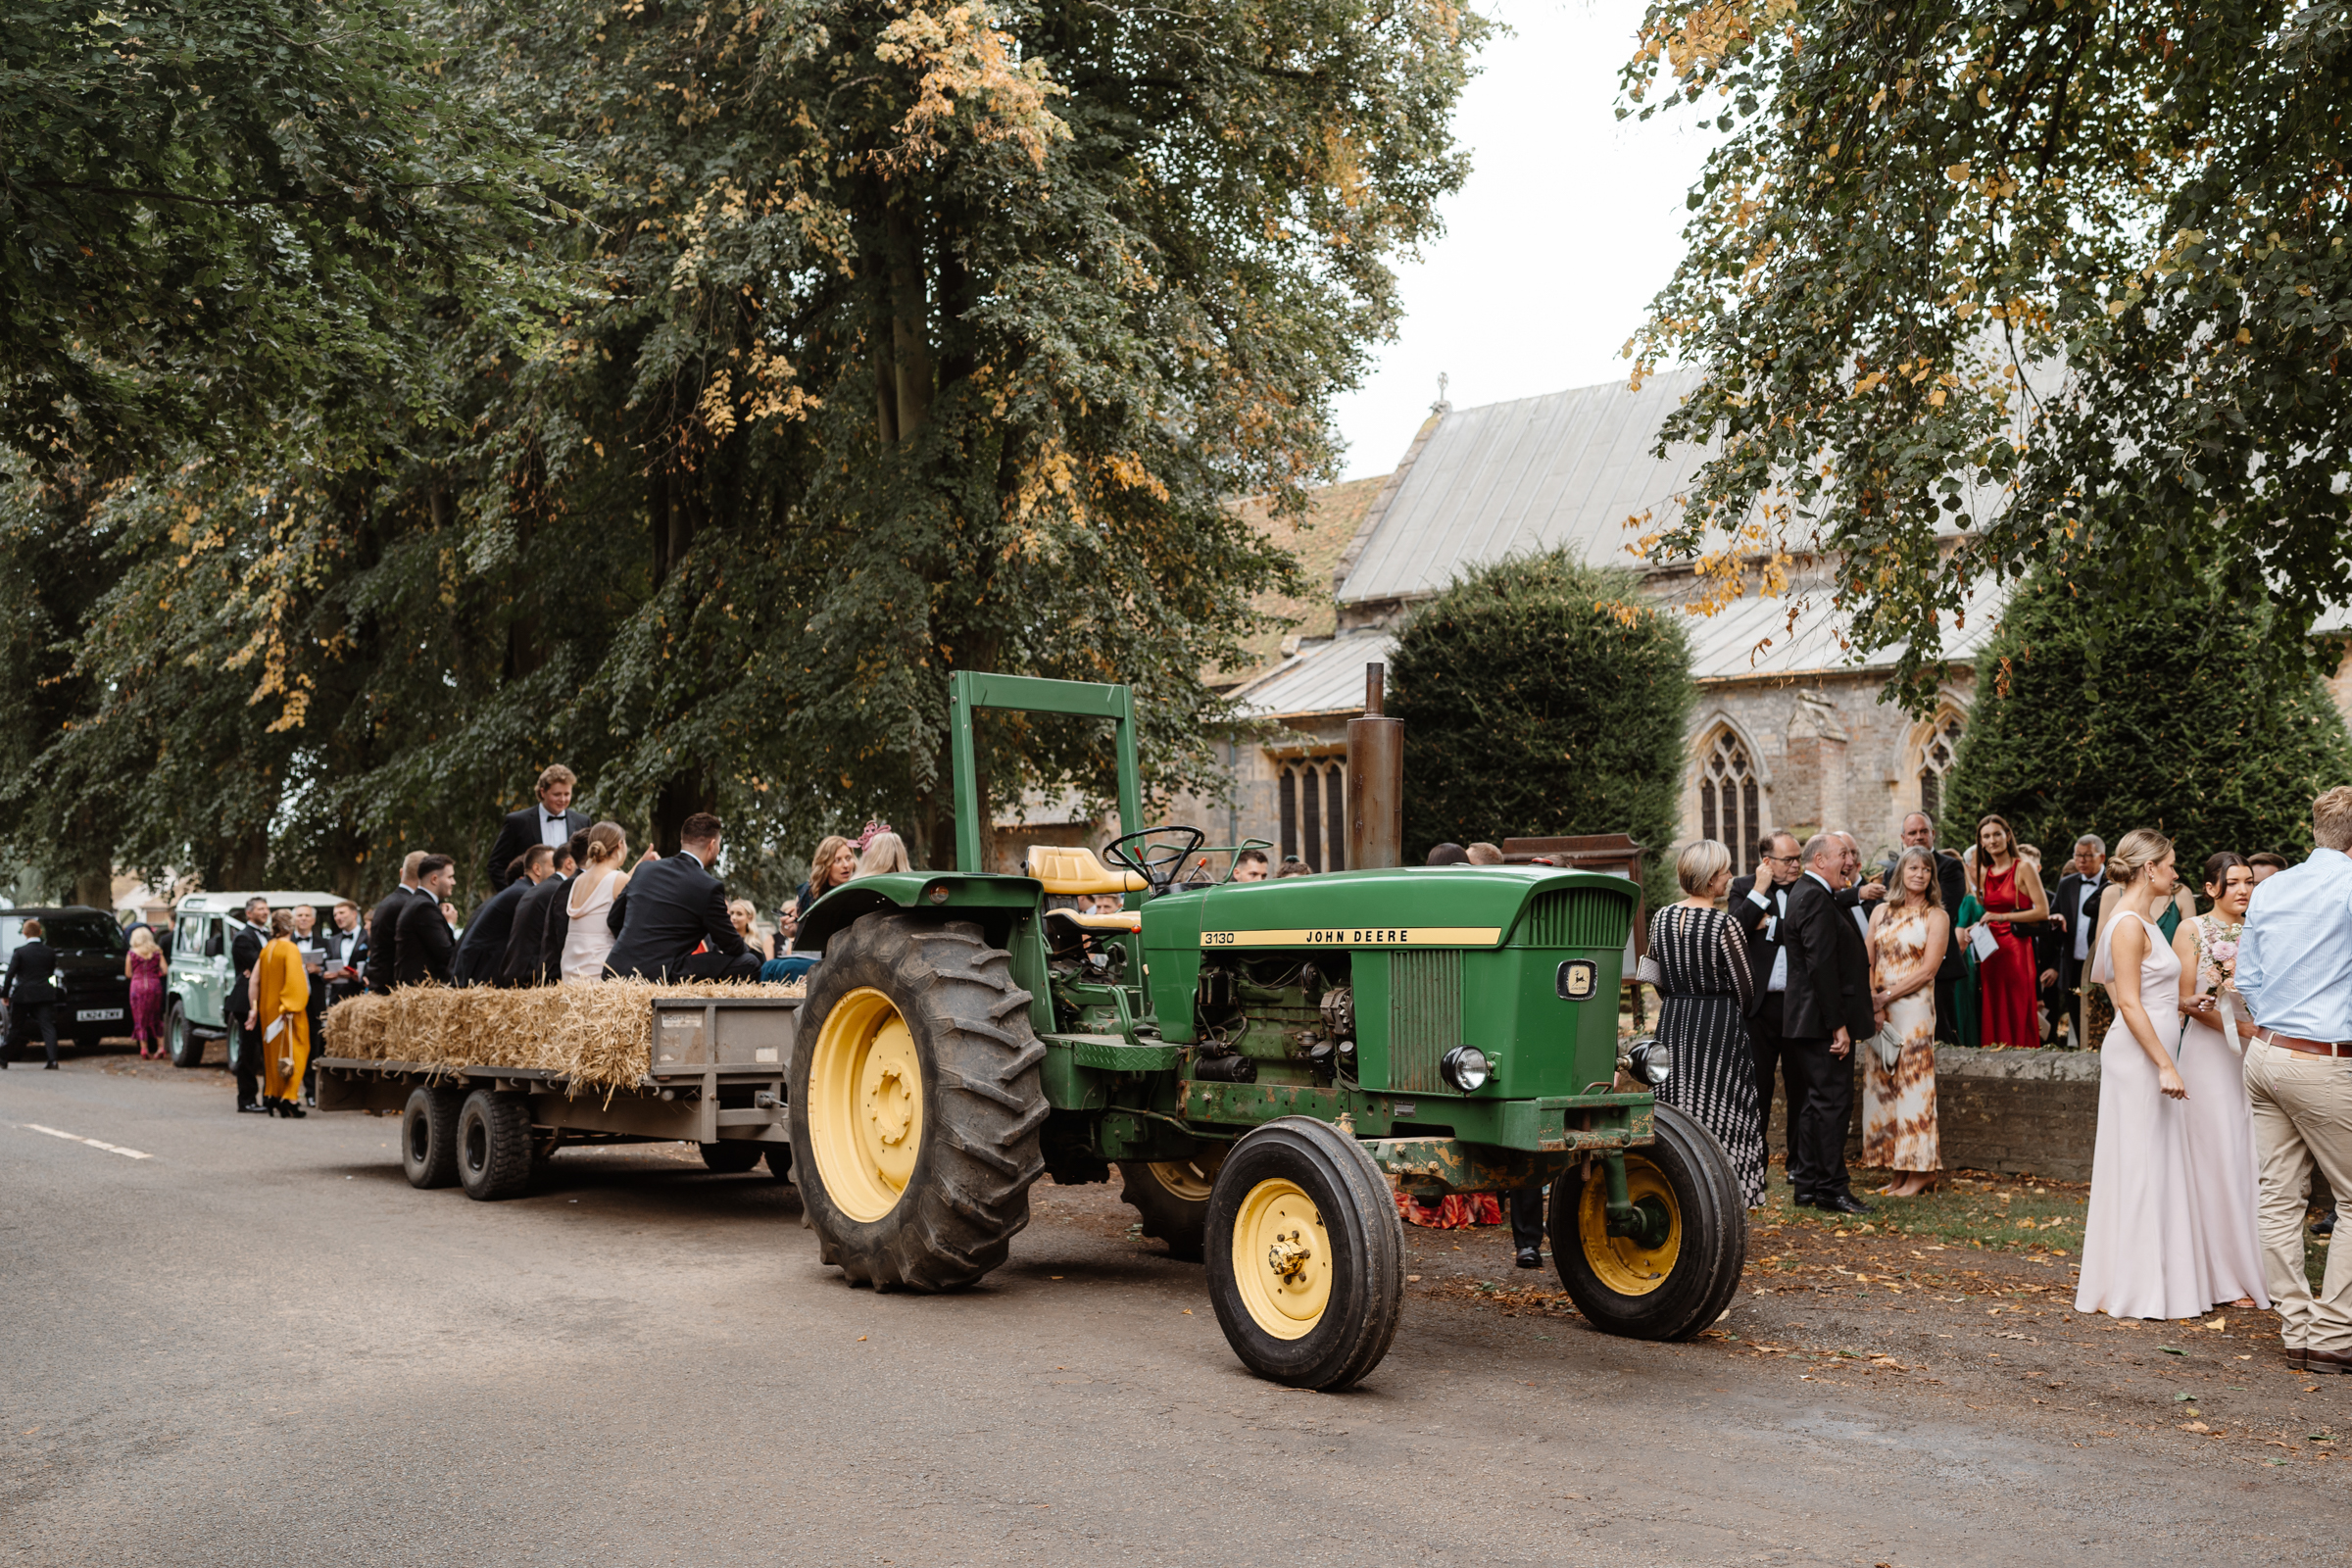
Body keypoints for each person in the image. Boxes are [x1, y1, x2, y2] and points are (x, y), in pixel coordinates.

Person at [2238, 787, 2352, 1370]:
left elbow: (2247, 979)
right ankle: (2333, 1333)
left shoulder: (2273, 887)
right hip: (2321, 1059)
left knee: (2279, 1198)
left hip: (2265, 1054)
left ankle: (2298, 1328)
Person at [2076, 829, 2207, 1320]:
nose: (2176, 873)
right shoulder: (2128, 924)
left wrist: (2183, 1003)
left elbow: (2149, 992)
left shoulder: (2145, 919)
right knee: (2139, 1164)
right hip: (2138, 1058)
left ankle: (2157, 1280)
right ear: (2149, 869)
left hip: (2152, 1048)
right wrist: (2166, 1064)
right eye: (2170, 865)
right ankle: (2135, 1288)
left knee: (2155, 1161)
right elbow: (2127, 1003)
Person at [1634, 840, 1767, 1207]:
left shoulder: (1661, 918)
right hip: (1716, 1024)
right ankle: (1727, 1195)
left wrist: (1679, 997)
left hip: (1674, 1020)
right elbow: (1746, 988)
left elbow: (1654, 974)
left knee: (1675, 1105)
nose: (1730, 877)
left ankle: (1677, 1190)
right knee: (1723, 1108)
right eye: (1724, 871)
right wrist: (1723, 1008)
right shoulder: (1724, 924)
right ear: (1710, 879)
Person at [2172, 851, 2268, 1311]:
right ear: (2211, 888)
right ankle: (2219, 1276)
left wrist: (2254, 1028)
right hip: (2210, 1055)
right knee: (2216, 1156)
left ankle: (2255, 1266)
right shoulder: (2192, 929)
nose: (2244, 890)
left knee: (2249, 1155)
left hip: (2256, 1052)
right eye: (2234, 882)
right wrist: (2238, 1025)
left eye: (2249, 881)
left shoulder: (2261, 928)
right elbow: (2185, 999)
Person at [1781, 833, 1875, 1214]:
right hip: (1821, 1023)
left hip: (1808, 1020)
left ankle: (1807, 1184)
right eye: (1842, 855)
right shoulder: (1814, 897)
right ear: (1820, 860)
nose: (1849, 862)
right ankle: (1832, 1189)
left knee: (1814, 1105)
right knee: (1833, 1103)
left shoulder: (1810, 892)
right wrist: (1838, 1026)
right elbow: (1821, 966)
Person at [1864, 847, 1950, 1197]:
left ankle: (1921, 1171)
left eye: (1926, 869)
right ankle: (1898, 1171)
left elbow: (1928, 970)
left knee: (1915, 1087)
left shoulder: (1936, 916)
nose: (1920, 874)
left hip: (1914, 1011)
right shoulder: (1880, 911)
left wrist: (1884, 997)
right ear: (1900, 872)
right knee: (1885, 1086)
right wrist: (1873, 1002)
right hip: (1880, 1011)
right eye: (1913, 868)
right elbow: (1868, 958)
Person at [605, 812, 761, 980]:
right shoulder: (708, 887)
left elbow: (613, 919)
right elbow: (732, 945)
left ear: (682, 842)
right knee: (750, 962)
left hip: (616, 970)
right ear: (712, 845)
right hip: (661, 975)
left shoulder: (644, 869)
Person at [1730, 831, 1803, 1177]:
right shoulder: (1744, 887)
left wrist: (1772, 925)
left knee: (1800, 1087)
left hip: (1799, 1005)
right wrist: (1759, 893)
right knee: (1757, 1088)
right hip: (1758, 1009)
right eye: (1789, 860)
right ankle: (1753, 1164)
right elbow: (1735, 931)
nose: (1796, 865)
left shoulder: (1808, 889)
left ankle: (1798, 1164)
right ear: (1767, 862)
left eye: (1798, 858)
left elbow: (1808, 935)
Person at [1970, 813, 2048, 1048]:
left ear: (2008, 836)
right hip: (1990, 950)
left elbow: (2043, 911)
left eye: (1997, 834)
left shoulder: (2023, 868)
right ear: (1981, 842)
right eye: (1986, 836)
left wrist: (2002, 916)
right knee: (1993, 1006)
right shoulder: (1983, 872)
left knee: (2016, 1006)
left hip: (2016, 947)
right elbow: (1987, 912)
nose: (1992, 840)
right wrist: (1976, 927)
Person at [1896, 813, 1968, 1042]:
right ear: (1903, 838)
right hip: (1900, 967)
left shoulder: (1950, 867)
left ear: (1933, 834)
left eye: (1923, 831)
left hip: (1939, 968)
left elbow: (1944, 909)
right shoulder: (1893, 872)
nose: (1918, 837)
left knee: (1939, 1033)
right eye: (1912, 833)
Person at [486, 763, 591, 892]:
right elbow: (496, 865)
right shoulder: (518, 822)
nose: (563, 799)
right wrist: (515, 895)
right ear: (542, 792)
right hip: (529, 897)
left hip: (572, 895)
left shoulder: (582, 822)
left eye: (567, 794)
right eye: (557, 794)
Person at [452, 848, 549, 984]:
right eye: (554, 866)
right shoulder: (525, 894)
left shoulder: (520, 889)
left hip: (477, 966)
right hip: (483, 971)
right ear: (537, 869)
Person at [251, 911, 312, 1118]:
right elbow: (295, 981)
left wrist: (254, 1008)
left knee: (275, 1056)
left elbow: (255, 980)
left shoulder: (267, 948)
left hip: (269, 1009)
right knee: (297, 1052)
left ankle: (273, 1094)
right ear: (290, 926)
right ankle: (290, 1097)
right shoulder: (290, 948)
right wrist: (290, 1005)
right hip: (287, 1010)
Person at [503, 835, 583, 986]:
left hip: (516, 970)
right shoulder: (560, 889)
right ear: (569, 863)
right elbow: (562, 936)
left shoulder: (541, 888)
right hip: (532, 976)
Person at [564, 823, 638, 982]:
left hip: (570, 972)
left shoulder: (578, 880)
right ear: (620, 845)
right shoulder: (618, 879)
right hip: (599, 972)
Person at [2052, 835, 2107, 1048]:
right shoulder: (2066, 884)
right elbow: (2054, 912)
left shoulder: (2112, 884)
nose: (2081, 860)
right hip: (2072, 963)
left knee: (2103, 1016)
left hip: (2102, 963)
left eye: (2087, 855)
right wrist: (2055, 920)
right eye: (2078, 855)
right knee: (2077, 1016)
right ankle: (2084, 1053)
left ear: (2102, 857)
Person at [365, 851, 429, 994]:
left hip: (380, 983)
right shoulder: (413, 905)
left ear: (401, 872)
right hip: (394, 989)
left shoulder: (387, 902)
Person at [2, 917, 62, 1069]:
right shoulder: (49, 952)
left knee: (15, 1027)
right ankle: (53, 1060)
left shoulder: (20, 952)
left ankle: (3, 1058)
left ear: (24, 933)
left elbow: (10, 974)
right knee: (47, 1027)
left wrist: (4, 994)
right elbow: (50, 973)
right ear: (40, 932)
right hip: (44, 994)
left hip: (23, 995)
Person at [228, 896, 270, 1110]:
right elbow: (261, 964)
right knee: (249, 1052)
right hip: (246, 1001)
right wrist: (259, 968)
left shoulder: (270, 936)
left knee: (267, 1050)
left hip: (267, 998)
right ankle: (246, 1100)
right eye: (260, 909)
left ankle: (269, 1097)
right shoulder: (243, 937)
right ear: (249, 913)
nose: (265, 912)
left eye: (266, 909)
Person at [393, 857, 459, 985]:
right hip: (421, 988)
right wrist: (450, 924)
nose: (453, 882)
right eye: (450, 877)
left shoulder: (418, 901)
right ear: (434, 879)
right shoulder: (424, 907)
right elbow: (446, 954)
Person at [125, 925, 168, 1059]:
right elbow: (165, 970)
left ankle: (144, 1048)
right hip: (154, 986)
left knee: (140, 1018)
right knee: (156, 1016)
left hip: (137, 987)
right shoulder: (157, 953)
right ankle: (161, 1047)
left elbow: (128, 973)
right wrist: (155, 974)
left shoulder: (131, 954)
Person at [796, 836, 858, 919]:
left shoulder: (860, 889)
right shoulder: (808, 892)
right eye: (837, 860)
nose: (846, 865)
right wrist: (787, 926)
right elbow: (797, 925)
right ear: (825, 864)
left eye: (848, 858)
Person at [320, 901, 368, 1005]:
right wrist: (325, 975)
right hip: (337, 998)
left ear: (354, 914)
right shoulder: (332, 940)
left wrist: (358, 975)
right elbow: (325, 965)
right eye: (335, 915)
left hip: (361, 997)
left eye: (341, 913)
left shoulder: (367, 937)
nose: (338, 917)